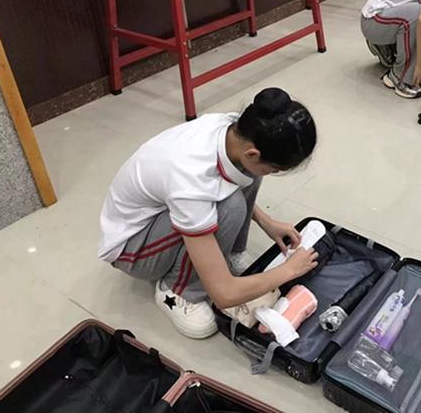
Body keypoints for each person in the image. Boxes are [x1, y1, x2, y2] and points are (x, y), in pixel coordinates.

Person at [97, 88, 319, 339]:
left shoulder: (234, 130)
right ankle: (179, 291)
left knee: (248, 173)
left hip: (165, 208)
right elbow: (223, 293)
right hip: (132, 248)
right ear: (253, 153)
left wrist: (266, 221)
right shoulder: (190, 181)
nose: (273, 174)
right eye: (275, 169)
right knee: (231, 205)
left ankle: (229, 254)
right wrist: (289, 270)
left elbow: (222, 182)